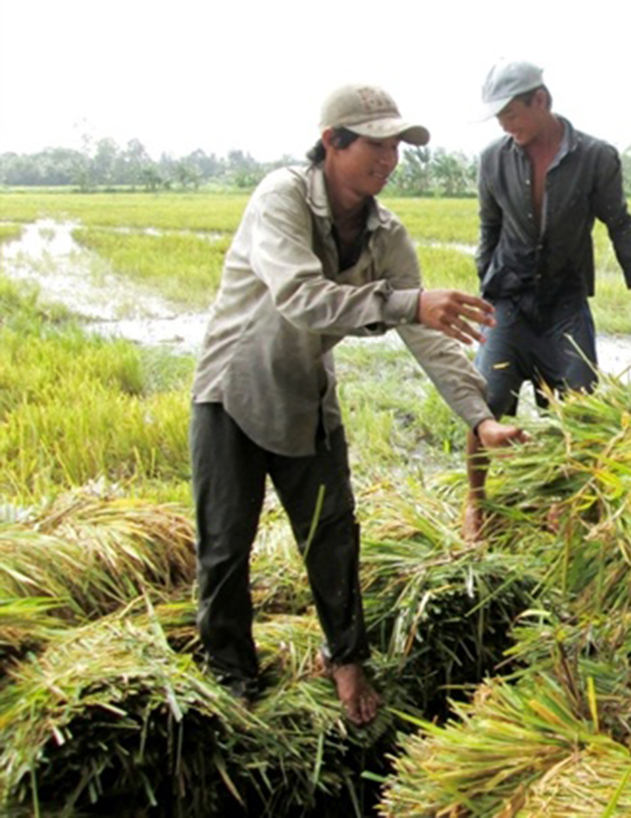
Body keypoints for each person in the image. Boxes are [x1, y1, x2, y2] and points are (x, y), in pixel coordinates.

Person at [190, 83, 525, 725]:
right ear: (331, 143)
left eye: (396, 144)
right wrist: (407, 302)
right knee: (226, 548)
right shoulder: (281, 198)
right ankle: (233, 678)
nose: (390, 157)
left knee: (334, 538)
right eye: (375, 143)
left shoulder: (385, 232)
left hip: (307, 394)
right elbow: (303, 297)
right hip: (232, 390)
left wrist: (480, 419)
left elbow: (428, 332)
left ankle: (346, 660)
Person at [462, 59, 631, 539]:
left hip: (565, 303)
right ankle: (476, 503)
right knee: (484, 400)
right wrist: (486, 286)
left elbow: (620, 227)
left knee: (579, 405)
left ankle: (568, 501)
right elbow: (487, 230)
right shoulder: (493, 159)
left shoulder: (596, 157)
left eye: (512, 114)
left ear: (541, 101)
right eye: (498, 119)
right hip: (509, 301)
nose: (506, 126)